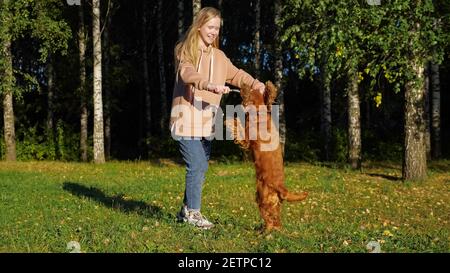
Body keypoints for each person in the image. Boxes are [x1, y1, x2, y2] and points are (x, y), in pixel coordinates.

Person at [170, 7, 265, 229]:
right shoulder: (185, 50)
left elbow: (236, 74)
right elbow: (187, 73)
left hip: (206, 122)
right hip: (185, 119)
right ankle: (194, 213)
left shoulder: (220, 57)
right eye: (211, 27)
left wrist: (255, 83)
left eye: (217, 28)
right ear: (200, 25)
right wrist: (207, 84)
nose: (214, 32)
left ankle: (185, 211)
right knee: (198, 164)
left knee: (200, 167)